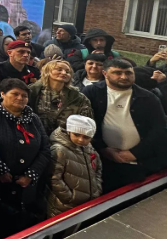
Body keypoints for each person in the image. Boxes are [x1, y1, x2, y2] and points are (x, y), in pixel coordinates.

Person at [0, 78, 50, 239]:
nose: (20, 98)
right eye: (15, 94)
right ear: (2, 94)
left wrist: (31, 175)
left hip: (27, 188)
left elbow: (45, 149)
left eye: (24, 95)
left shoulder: (33, 118)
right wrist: (0, 169)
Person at [83, 58, 167, 191]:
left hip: (138, 163)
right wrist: (103, 148)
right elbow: (84, 123)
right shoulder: (91, 93)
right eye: (117, 73)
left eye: (128, 73)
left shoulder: (148, 98)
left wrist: (135, 153)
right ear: (105, 74)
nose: (124, 77)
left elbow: (160, 129)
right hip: (103, 160)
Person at [46, 115, 102, 218]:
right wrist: (69, 197)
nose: (80, 139)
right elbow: (53, 178)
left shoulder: (89, 148)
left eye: (86, 137)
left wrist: (97, 189)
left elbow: (98, 169)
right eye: (76, 134)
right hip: (63, 206)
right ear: (69, 131)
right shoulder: (59, 150)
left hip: (88, 203)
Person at [27, 60, 93, 135]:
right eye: (59, 69)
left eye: (67, 72)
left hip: (66, 139)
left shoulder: (78, 97)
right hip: (37, 136)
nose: (64, 73)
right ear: (47, 72)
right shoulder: (33, 92)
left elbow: (86, 124)